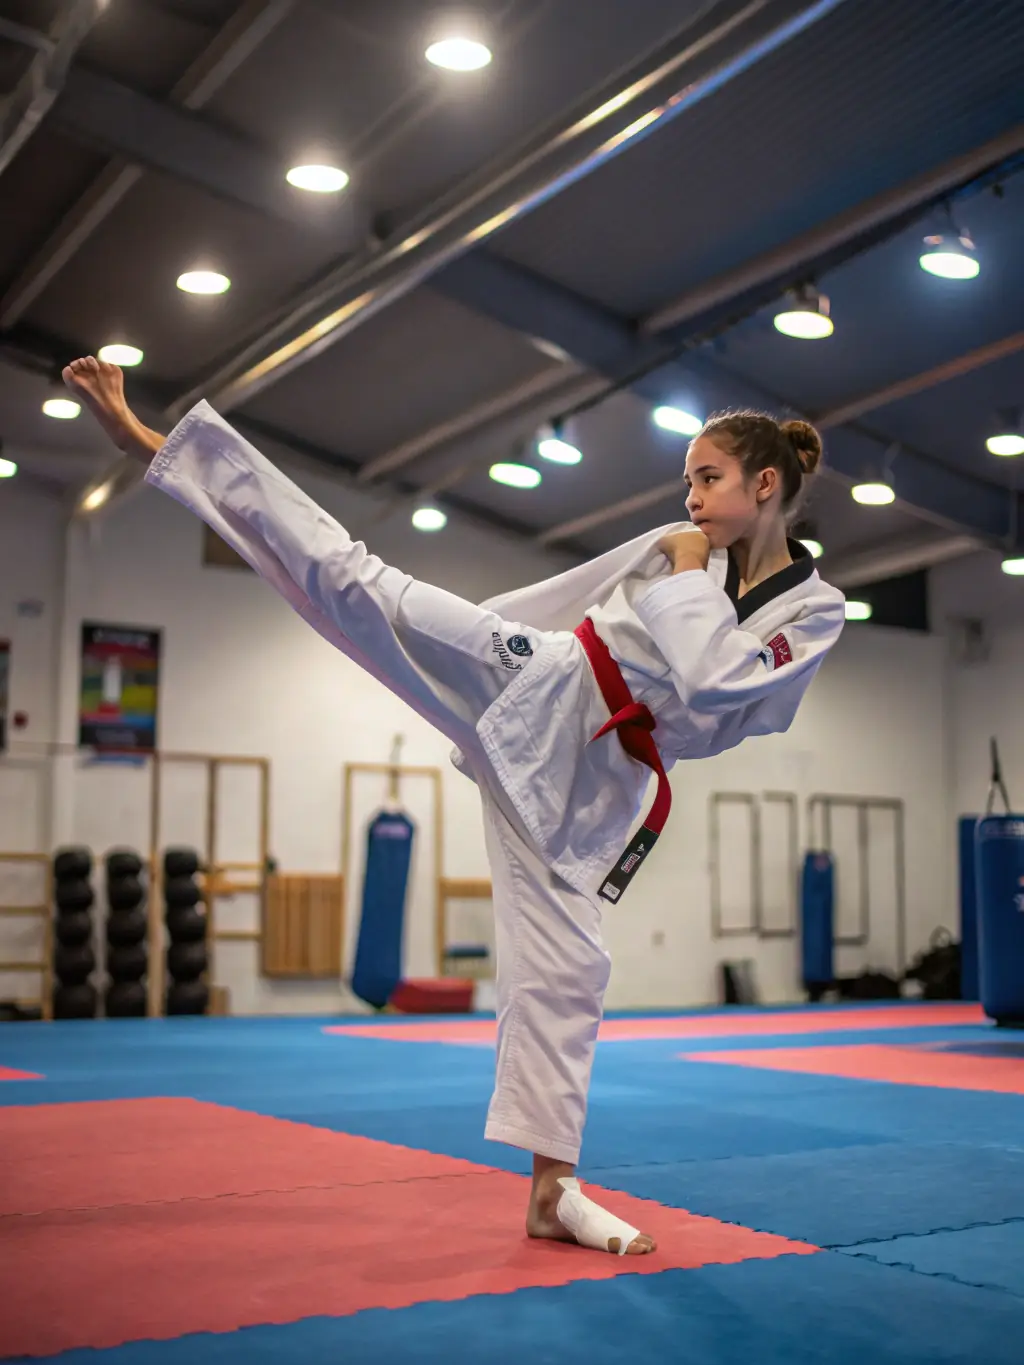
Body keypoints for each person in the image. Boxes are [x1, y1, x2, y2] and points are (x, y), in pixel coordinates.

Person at [63, 356, 846, 1257]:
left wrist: (685, 572)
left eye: (708, 479)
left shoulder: (812, 610)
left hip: (598, 777)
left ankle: (553, 1189)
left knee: (570, 971)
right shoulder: (684, 556)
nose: (693, 500)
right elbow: (664, 650)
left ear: (767, 482)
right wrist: (684, 568)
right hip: (538, 682)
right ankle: (159, 445)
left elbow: (717, 688)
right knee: (354, 583)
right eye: (687, 482)